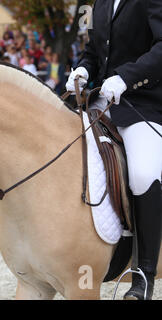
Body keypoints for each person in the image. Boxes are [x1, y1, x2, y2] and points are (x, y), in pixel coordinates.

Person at [66, 0, 162, 300]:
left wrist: (127, 77)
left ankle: (143, 274)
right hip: (100, 101)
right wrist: (82, 69)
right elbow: (93, 52)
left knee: (143, 174)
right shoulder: (98, 3)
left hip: (143, 104)